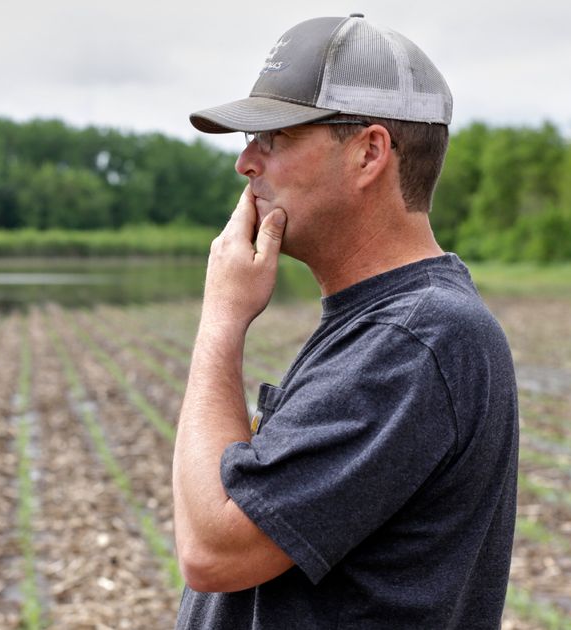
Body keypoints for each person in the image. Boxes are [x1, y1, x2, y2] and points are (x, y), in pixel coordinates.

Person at [171, 14, 519, 629]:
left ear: (369, 153)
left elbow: (213, 551)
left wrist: (221, 321)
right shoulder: (390, 320)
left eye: (272, 138)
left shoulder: (415, 336)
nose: (245, 163)